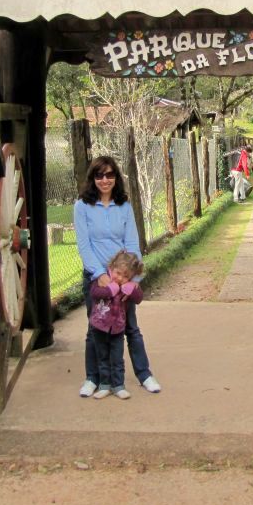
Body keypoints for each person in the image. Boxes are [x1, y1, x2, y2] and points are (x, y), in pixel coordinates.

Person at [74, 156, 161, 397]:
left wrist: (132, 281)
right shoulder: (82, 206)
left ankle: (144, 375)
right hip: (97, 278)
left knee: (131, 327)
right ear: (92, 178)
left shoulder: (123, 206)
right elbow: (84, 245)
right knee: (95, 328)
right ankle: (93, 378)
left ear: (116, 178)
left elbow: (132, 243)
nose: (105, 180)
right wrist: (100, 274)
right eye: (99, 175)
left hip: (123, 278)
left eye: (110, 175)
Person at [88, 250, 144, 400]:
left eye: (125, 276)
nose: (120, 278)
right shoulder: (102, 281)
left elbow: (139, 298)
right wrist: (108, 290)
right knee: (103, 357)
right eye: (118, 273)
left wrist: (133, 287)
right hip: (99, 327)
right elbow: (94, 294)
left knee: (117, 359)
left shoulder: (127, 284)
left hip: (118, 329)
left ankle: (118, 386)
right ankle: (105, 385)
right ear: (111, 267)